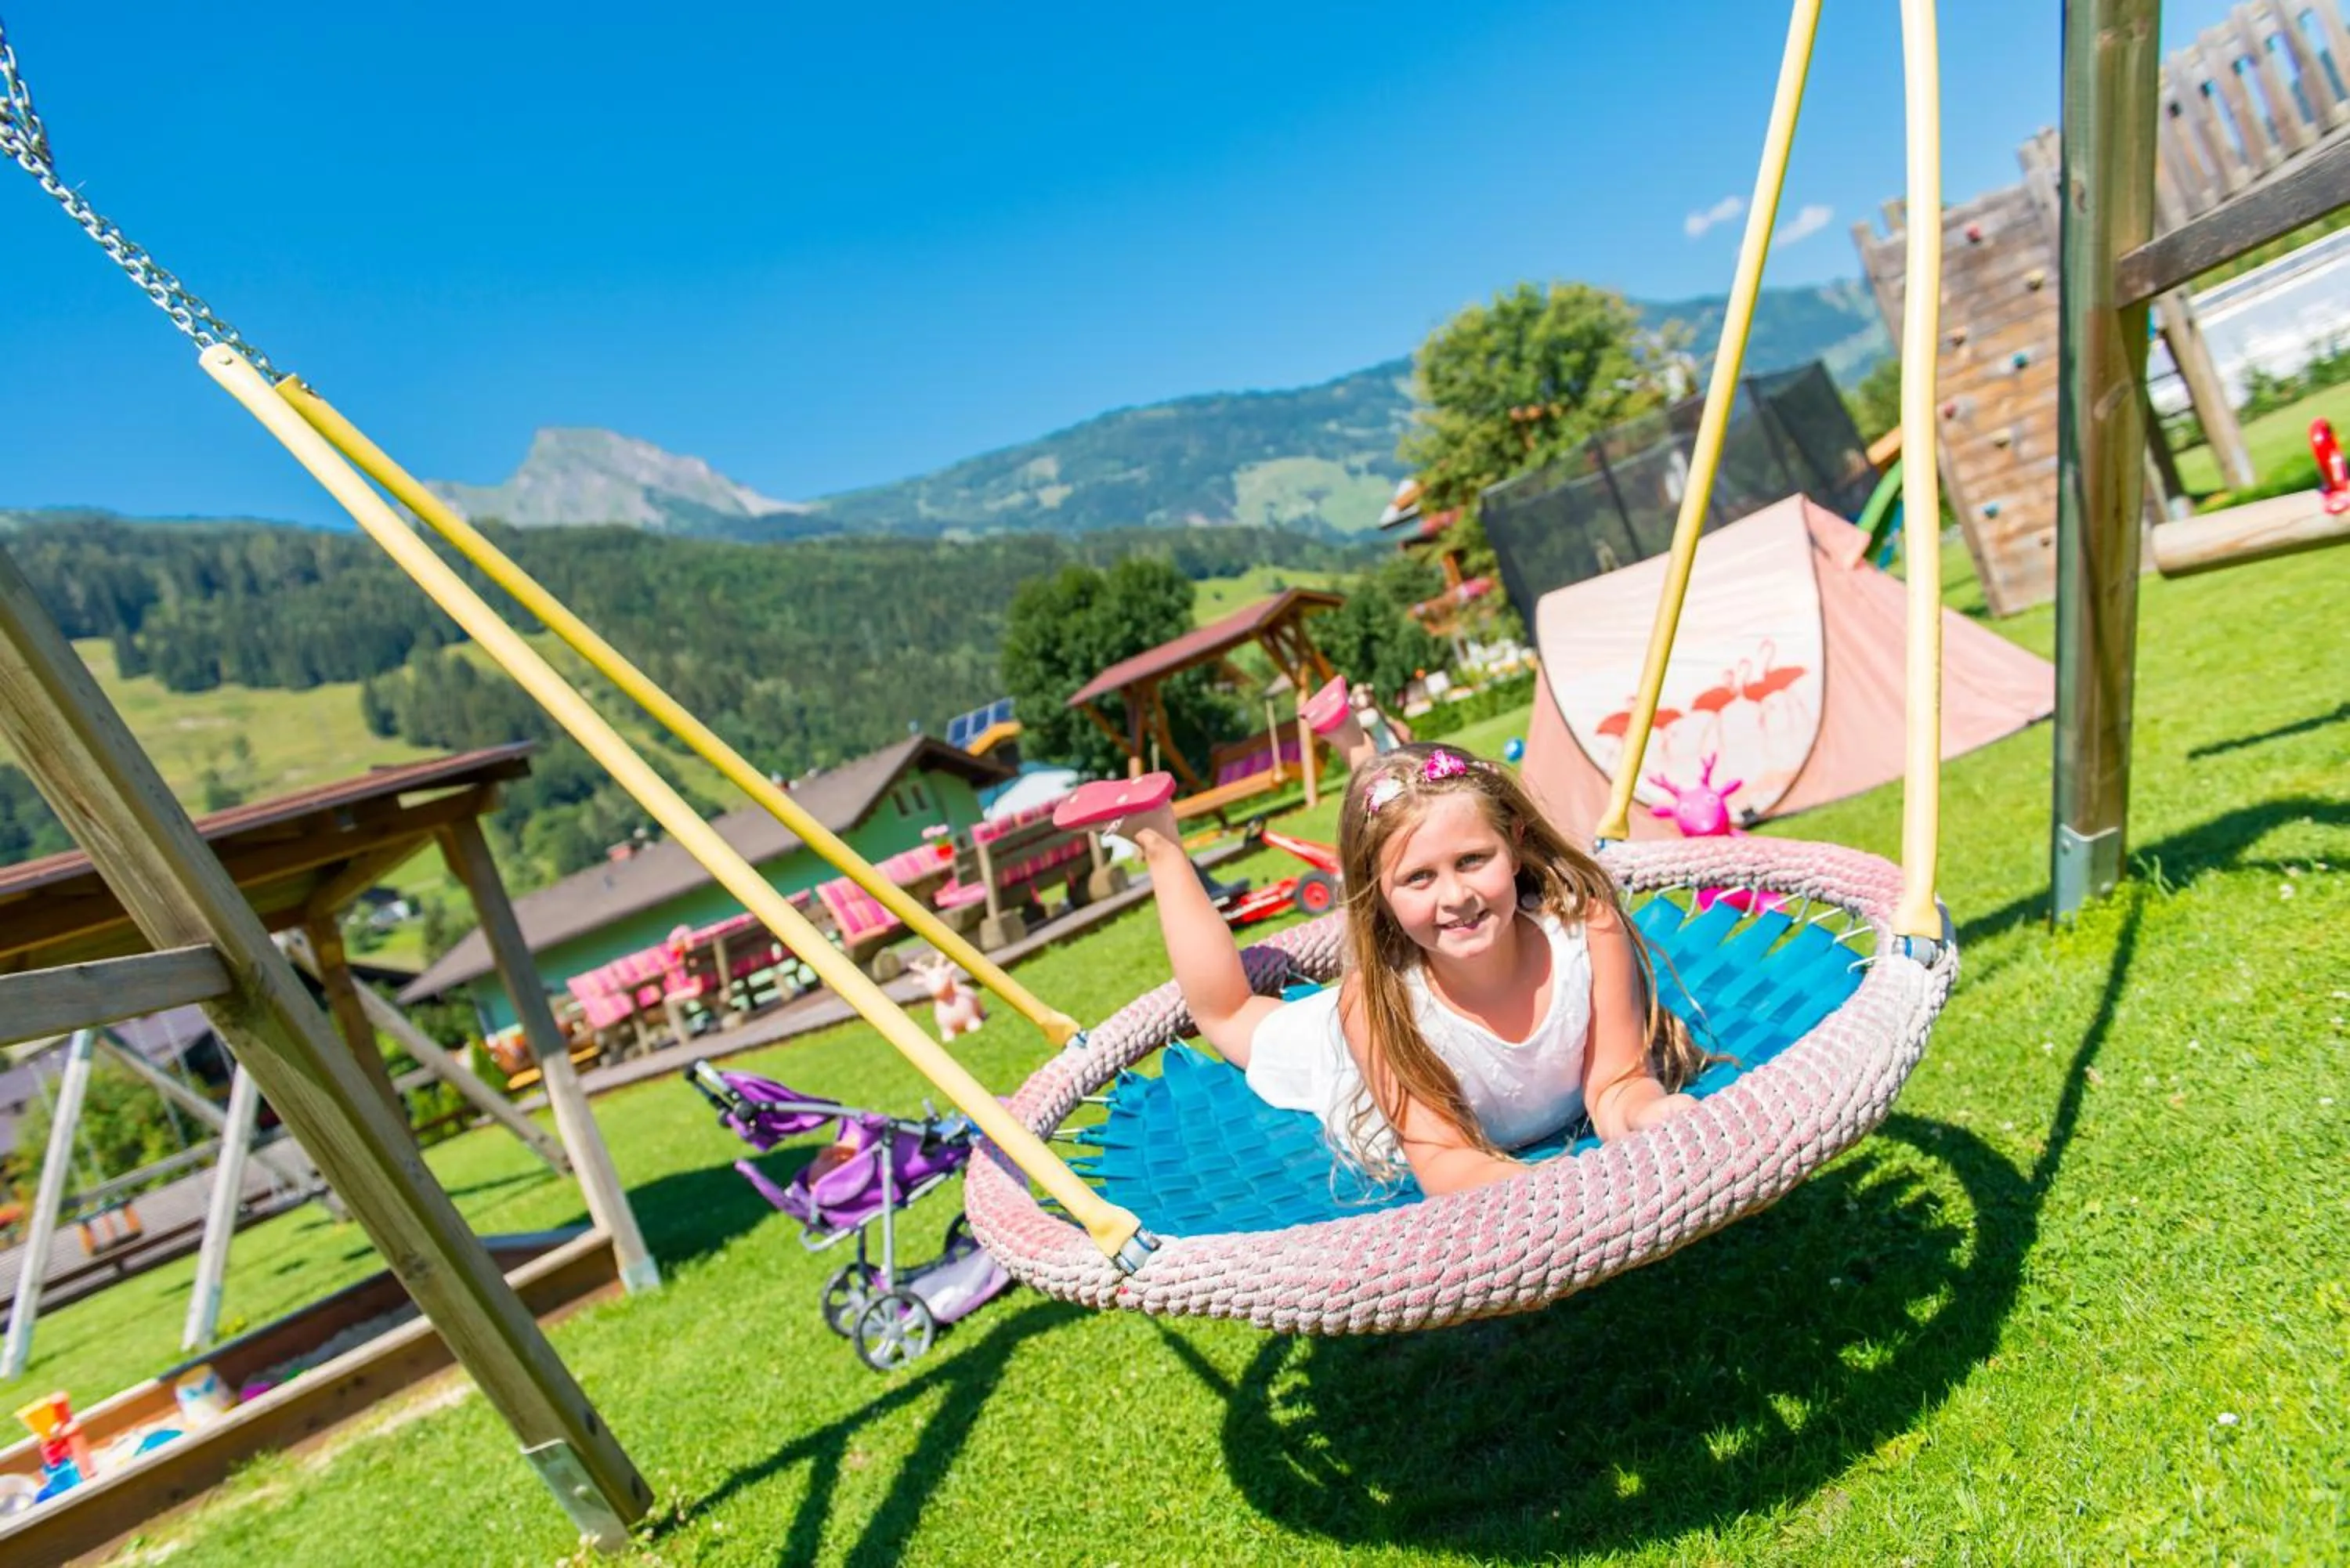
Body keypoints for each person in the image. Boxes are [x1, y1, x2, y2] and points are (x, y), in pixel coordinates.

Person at [1068, 725, 1712, 1198]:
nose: (1456, 898)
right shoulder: (1372, 1010)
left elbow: (1616, 1084)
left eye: (1472, 861)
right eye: (1418, 879)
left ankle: (1350, 738)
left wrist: (1646, 1114)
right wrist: (1545, 1189)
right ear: (1381, 895)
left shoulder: (1588, 932)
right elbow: (1447, 1163)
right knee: (1229, 1014)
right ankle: (1156, 835)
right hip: (1360, 1046)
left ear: (1514, 847)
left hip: (1423, 991)